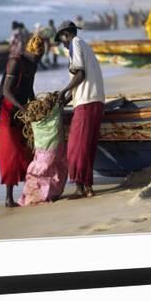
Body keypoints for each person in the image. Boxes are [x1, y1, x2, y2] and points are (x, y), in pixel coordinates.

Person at [55, 20, 105, 199]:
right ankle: (88, 187)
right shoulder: (85, 46)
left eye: (62, 39)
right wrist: (67, 98)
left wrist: (64, 91)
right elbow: (83, 80)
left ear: (66, 35)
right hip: (96, 100)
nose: (63, 43)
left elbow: (80, 74)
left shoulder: (75, 43)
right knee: (87, 146)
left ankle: (79, 188)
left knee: (75, 147)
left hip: (86, 103)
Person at [0, 35, 45, 207]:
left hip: (22, 113)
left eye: (39, 58)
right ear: (30, 51)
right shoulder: (15, 62)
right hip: (6, 113)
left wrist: (36, 105)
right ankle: (8, 198)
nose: (37, 60)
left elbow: (29, 88)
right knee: (12, 154)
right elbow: (7, 91)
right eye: (36, 57)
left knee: (27, 152)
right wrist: (22, 108)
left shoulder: (33, 65)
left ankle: (29, 192)